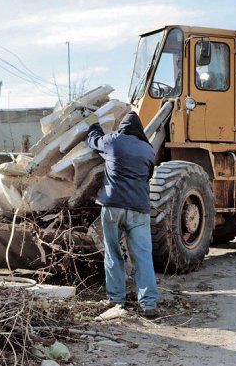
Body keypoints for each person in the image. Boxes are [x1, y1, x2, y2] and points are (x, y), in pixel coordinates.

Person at [85, 111, 158, 318]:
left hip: (113, 205)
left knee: (113, 252)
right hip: (139, 208)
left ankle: (117, 300)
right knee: (143, 256)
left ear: (123, 127)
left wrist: (94, 124)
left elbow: (93, 141)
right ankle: (149, 304)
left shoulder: (113, 141)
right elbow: (148, 175)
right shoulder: (148, 150)